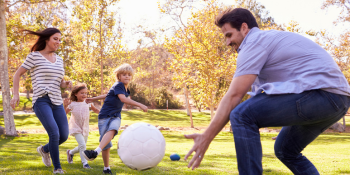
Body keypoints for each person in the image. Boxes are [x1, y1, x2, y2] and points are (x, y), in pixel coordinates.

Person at [184, 8, 350, 175]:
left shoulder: (254, 42)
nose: (227, 43)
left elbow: (234, 96)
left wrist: (206, 137)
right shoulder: (268, 41)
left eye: (229, 35)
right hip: (338, 101)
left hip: (323, 94)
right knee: (285, 149)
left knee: (242, 115)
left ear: (244, 28)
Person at [10, 28, 72, 174]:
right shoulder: (34, 56)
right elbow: (17, 74)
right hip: (41, 100)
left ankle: (44, 150)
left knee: (63, 135)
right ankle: (57, 168)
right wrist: (16, 95)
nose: (58, 42)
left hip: (56, 101)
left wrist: (66, 84)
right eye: (55, 39)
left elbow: (60, 83)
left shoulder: (59, 59)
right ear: (46, 39)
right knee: (54, 133)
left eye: (59, 39)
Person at [82, 63, 148, 174]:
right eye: (124, 74)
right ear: (119, 76)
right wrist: (140, 105)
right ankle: (106, 169)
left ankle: (95, 152)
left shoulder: (123, 88)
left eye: (129, 75)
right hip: (104, 116)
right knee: (106, 145)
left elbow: (108, 94)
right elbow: (123, 99)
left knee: (113, 129)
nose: (127, 76)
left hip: (115, 115)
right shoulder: (119, 85)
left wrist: (93, 98)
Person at [63, 83, 100, 169]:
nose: (84, 95)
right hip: (75, 127)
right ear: (76, 94)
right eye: (82, 93)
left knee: (81, 146)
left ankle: (70, 152)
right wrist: (65, 105)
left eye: (85, 93)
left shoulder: (88, 102)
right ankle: (85, 164)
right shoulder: (72, 104)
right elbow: (64, 113)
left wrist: (105, 114)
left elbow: (96, 110)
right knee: (83, 145)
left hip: (85, 128)